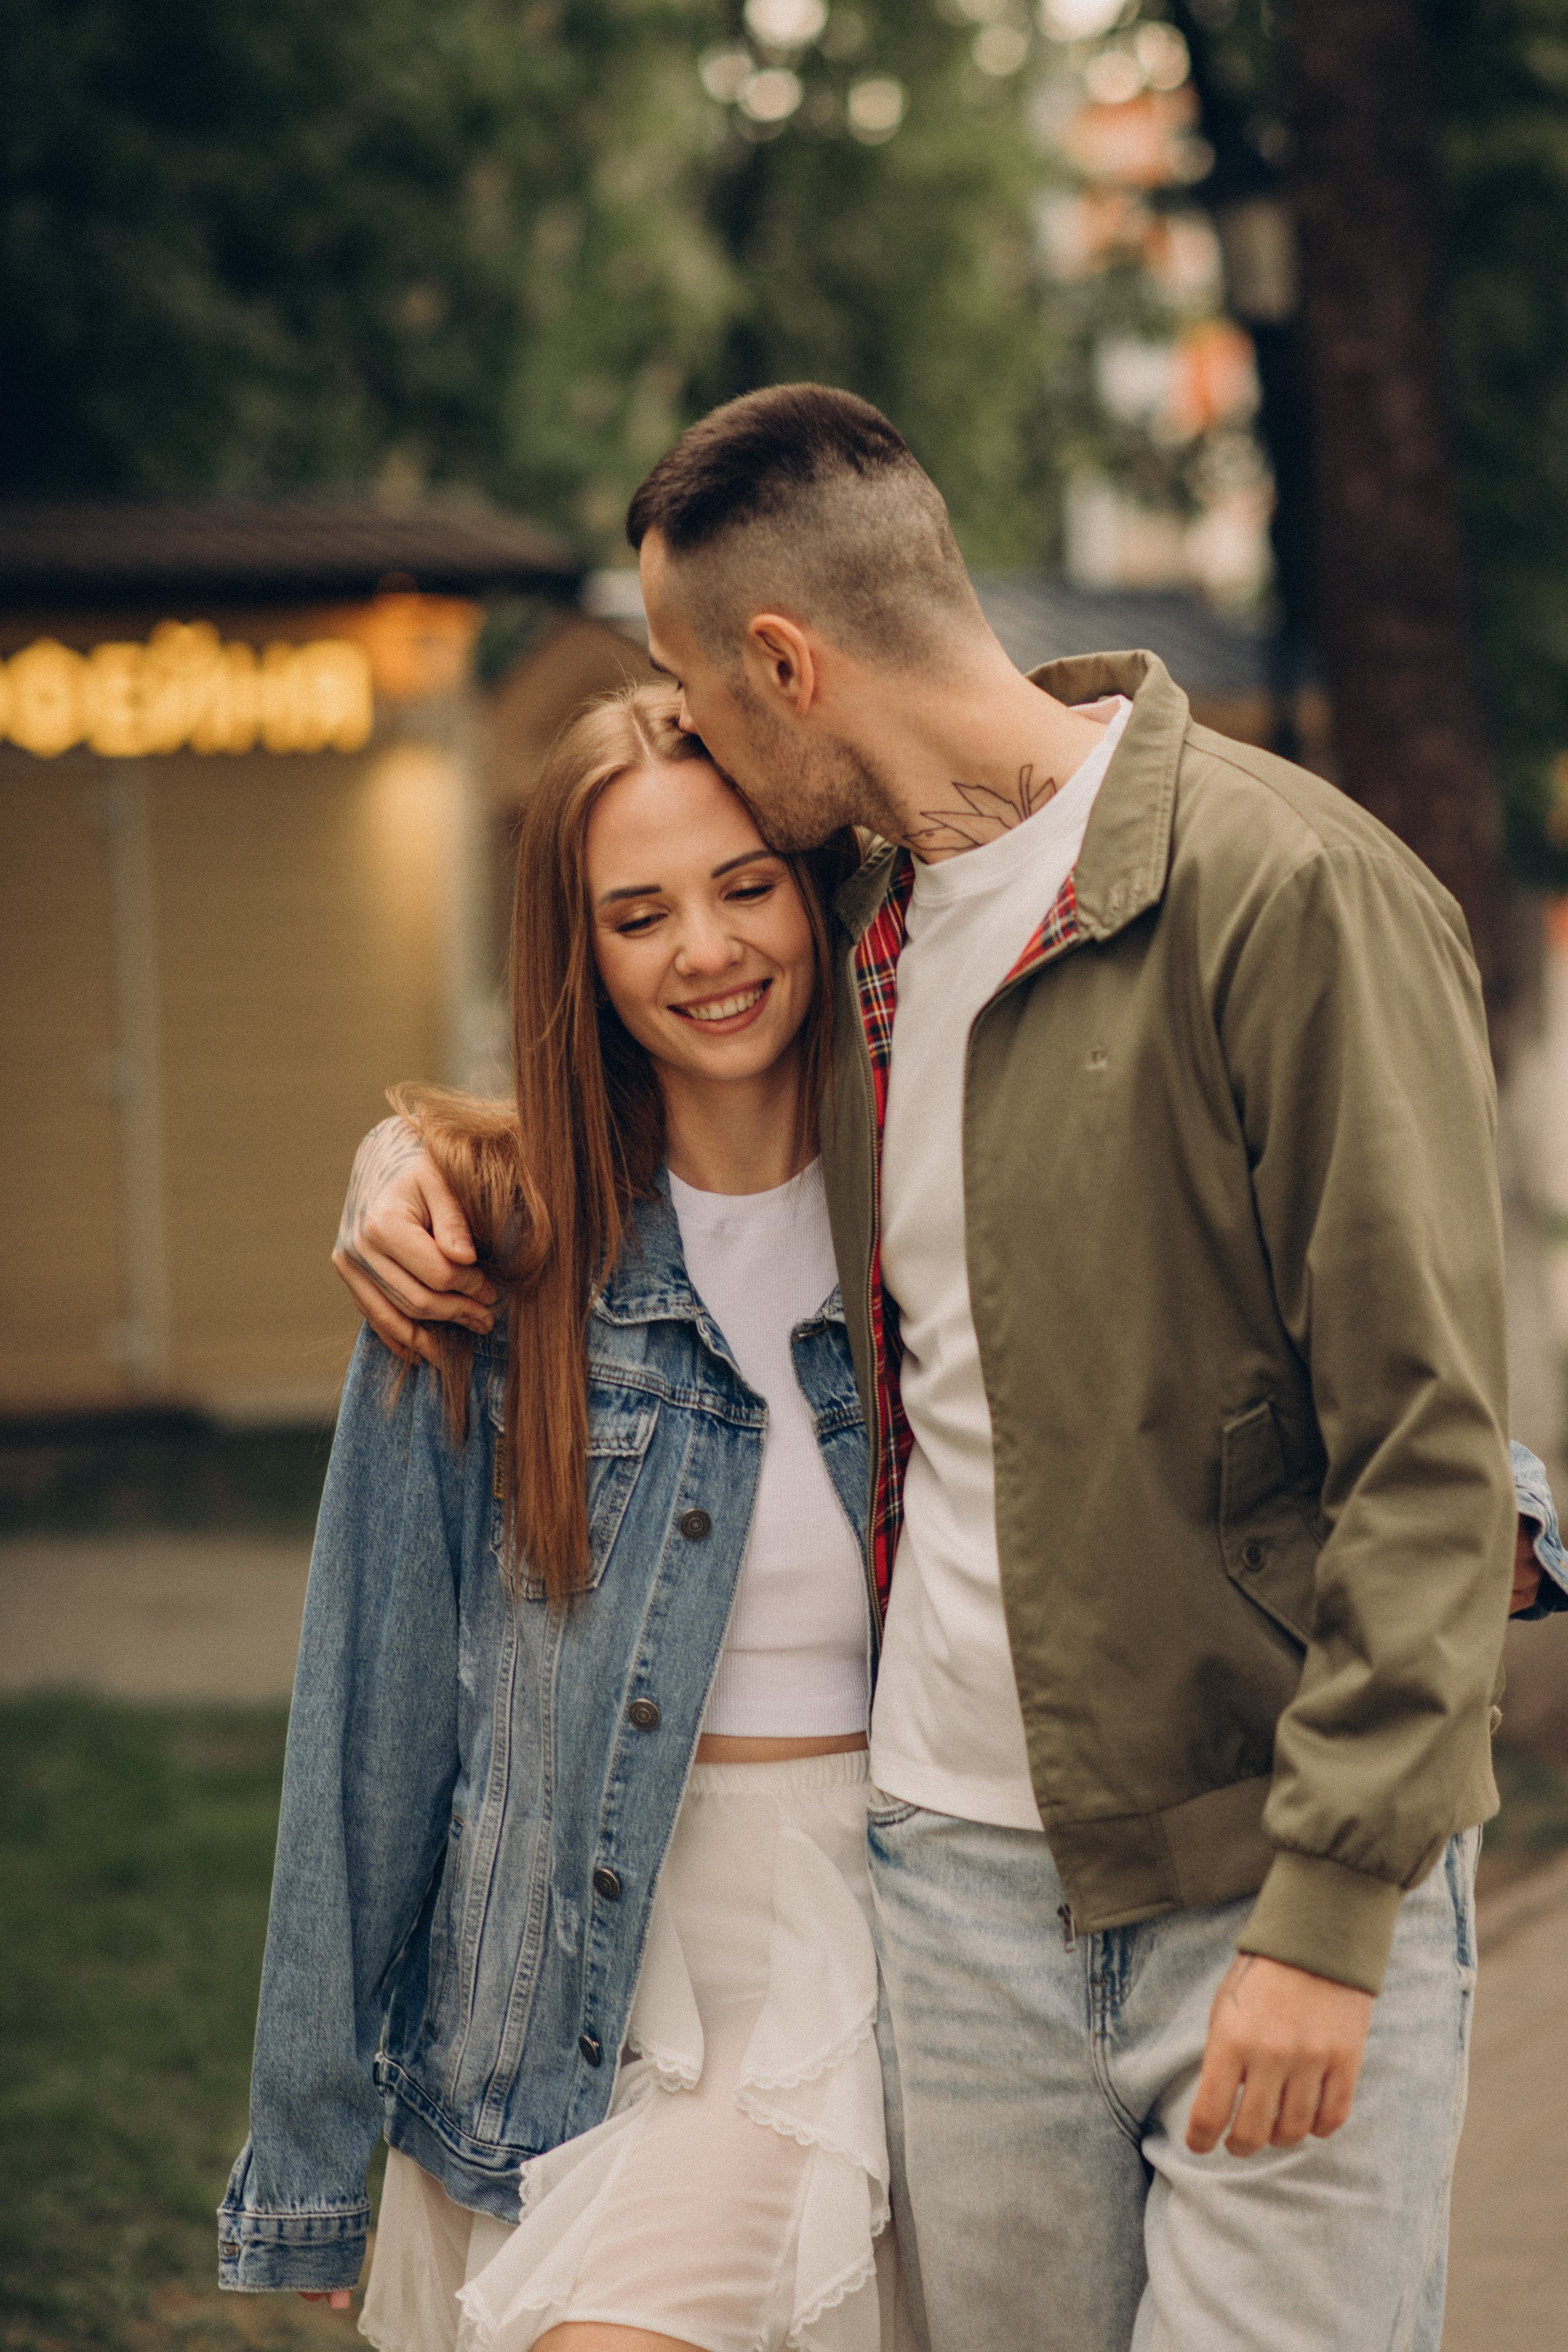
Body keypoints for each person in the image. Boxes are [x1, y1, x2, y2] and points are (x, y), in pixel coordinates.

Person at [334, 385, 1536, 2352]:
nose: (694, 746)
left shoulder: (1286, 892)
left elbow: (1425, 1447)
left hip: (1261, 1865)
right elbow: (655, 1103)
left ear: (786, 664)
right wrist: (414, 1160)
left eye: (692, 690)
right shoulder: (866, 930)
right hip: (955, 1903)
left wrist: (1335, 1919)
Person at [219, 682, 919, 2352]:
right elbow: (367, 1722)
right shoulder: (488, 1258)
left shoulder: (935, 1220)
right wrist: (309, 2133)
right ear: (582, 954)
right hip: (552, 1981)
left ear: (818, 893)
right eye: (639, 912)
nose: (707, 949)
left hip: (864, 1944)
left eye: (747, 885)